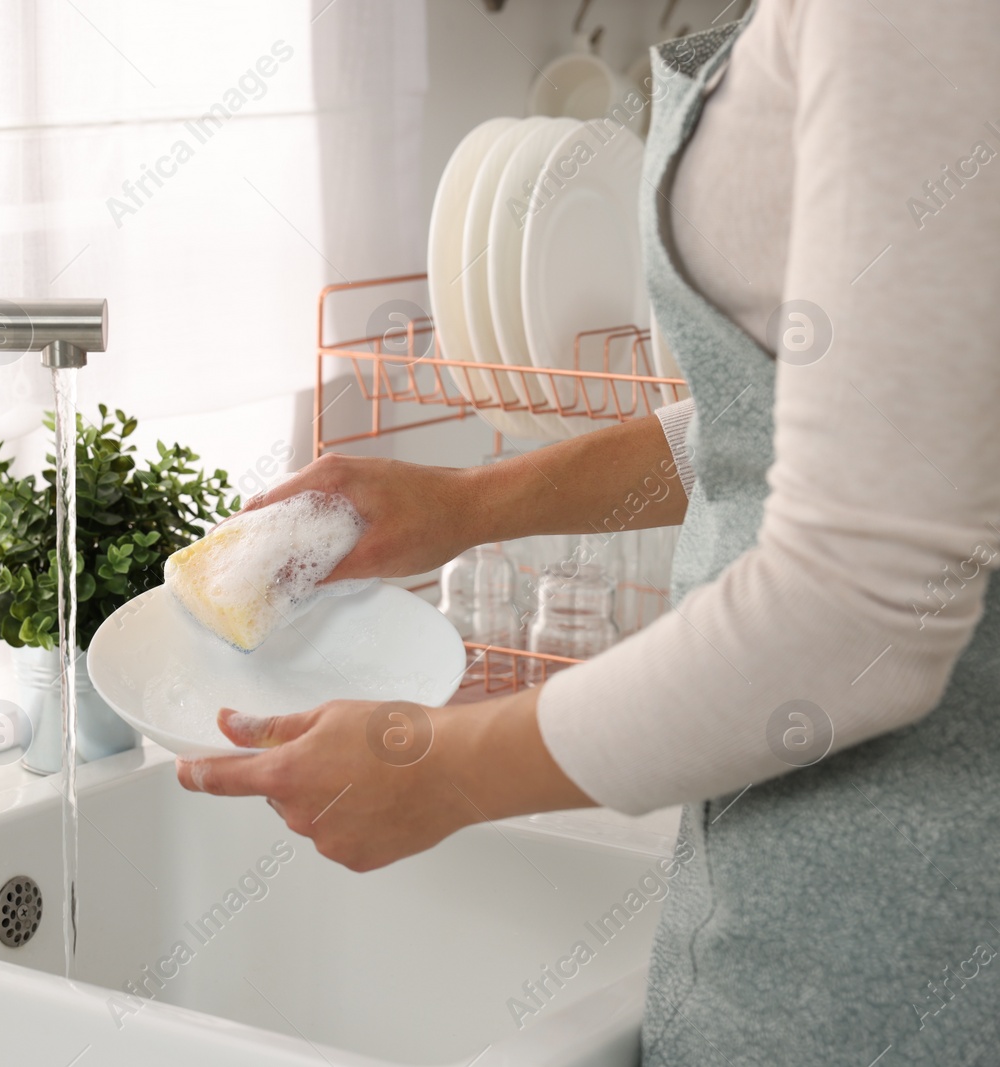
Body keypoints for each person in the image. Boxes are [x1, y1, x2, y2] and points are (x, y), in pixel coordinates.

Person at [176, 2, 1000, 1063]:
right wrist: (471, 504)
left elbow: (856, 609)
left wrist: (445, 768)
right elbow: (827, 416)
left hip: (908, 922)